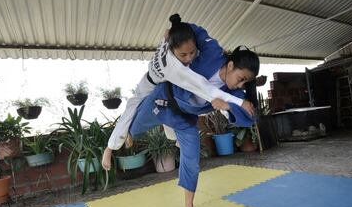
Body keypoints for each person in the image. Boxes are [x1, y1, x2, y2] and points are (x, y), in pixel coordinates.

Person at [103, 14, 254, 152]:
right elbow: (204, 87)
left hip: (172, 93)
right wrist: (238, 102)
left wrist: (233, 105)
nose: (189, 58)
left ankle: (171, 137)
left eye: (192, 52)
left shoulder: (172, 41)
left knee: (169, 108)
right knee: (133, 109)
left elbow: (193, 32)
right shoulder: (175, 67)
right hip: (150, 85)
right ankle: (112, 146)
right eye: (183, 54)